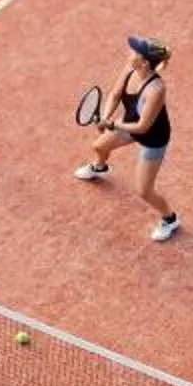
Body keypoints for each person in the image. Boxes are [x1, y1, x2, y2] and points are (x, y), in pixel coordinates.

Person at [74, 35, 180, 241]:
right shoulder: (130, 69)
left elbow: (142, 127)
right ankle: (100, 167)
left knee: (144, 191)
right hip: (128, 124)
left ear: (145, 62)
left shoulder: (156, 89)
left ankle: (170, 219)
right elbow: (114, 94)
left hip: (152, 139)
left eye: (134, 52)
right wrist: (105, 117)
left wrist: (112, 124)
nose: (129, 54)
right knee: (98, 146)